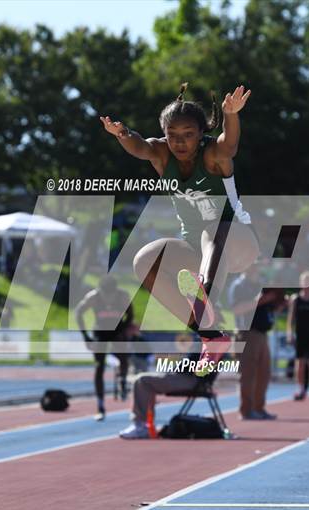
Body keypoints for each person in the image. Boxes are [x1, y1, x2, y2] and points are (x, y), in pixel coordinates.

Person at [100, 83, 259, 376]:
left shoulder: (213, 155)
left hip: (238, 241)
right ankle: (210, 335)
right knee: (145, 260)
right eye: (172, 136)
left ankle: (205, 295)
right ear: (165, 135)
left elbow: (230, 145)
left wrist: (231, 115)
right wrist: (122, 134)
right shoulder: (161, 154)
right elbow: (140, 146)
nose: (180, 143)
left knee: (211, 230)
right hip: (199, 250)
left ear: (201, 135)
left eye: (188, 135)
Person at [229, 264, 285, 420]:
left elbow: (268, 308)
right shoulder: (239, 285)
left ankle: (259, 408)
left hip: (262, 334)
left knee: (263, 374)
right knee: (248, 374)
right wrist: (260, 300)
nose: (256, 267)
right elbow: (236, 309)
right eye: (252, 264)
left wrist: (278, 303)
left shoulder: (260, 284)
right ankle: (246, 411)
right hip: (247, 333)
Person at [119, 352, 217, 439]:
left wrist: (174, 369)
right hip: (196, 380)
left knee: (142, 380)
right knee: (146, 381)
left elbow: (191, 365)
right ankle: (147, 425)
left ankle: (141, 425)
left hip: (192, 380)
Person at [75, 275, 133, 420]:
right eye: (105, 294)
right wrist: (86, 336)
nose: (108, 298)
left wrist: (123, 330)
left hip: (117, 330)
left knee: (123, 357)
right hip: (100, 331)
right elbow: (78, 313)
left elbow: (130, 315)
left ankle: (122, 379)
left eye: (111, 295)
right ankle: (100, 405)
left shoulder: (123, 296)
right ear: (100, 291)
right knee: (99, 366)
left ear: (115, 291)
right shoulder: (93, 297)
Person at [286, 271, 309, 401]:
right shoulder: (295, 299)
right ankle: (300, 389)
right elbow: (290, 318)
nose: (307, 284)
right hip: (300, 335)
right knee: (300, 363)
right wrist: (289, 333)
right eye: (304, 281)